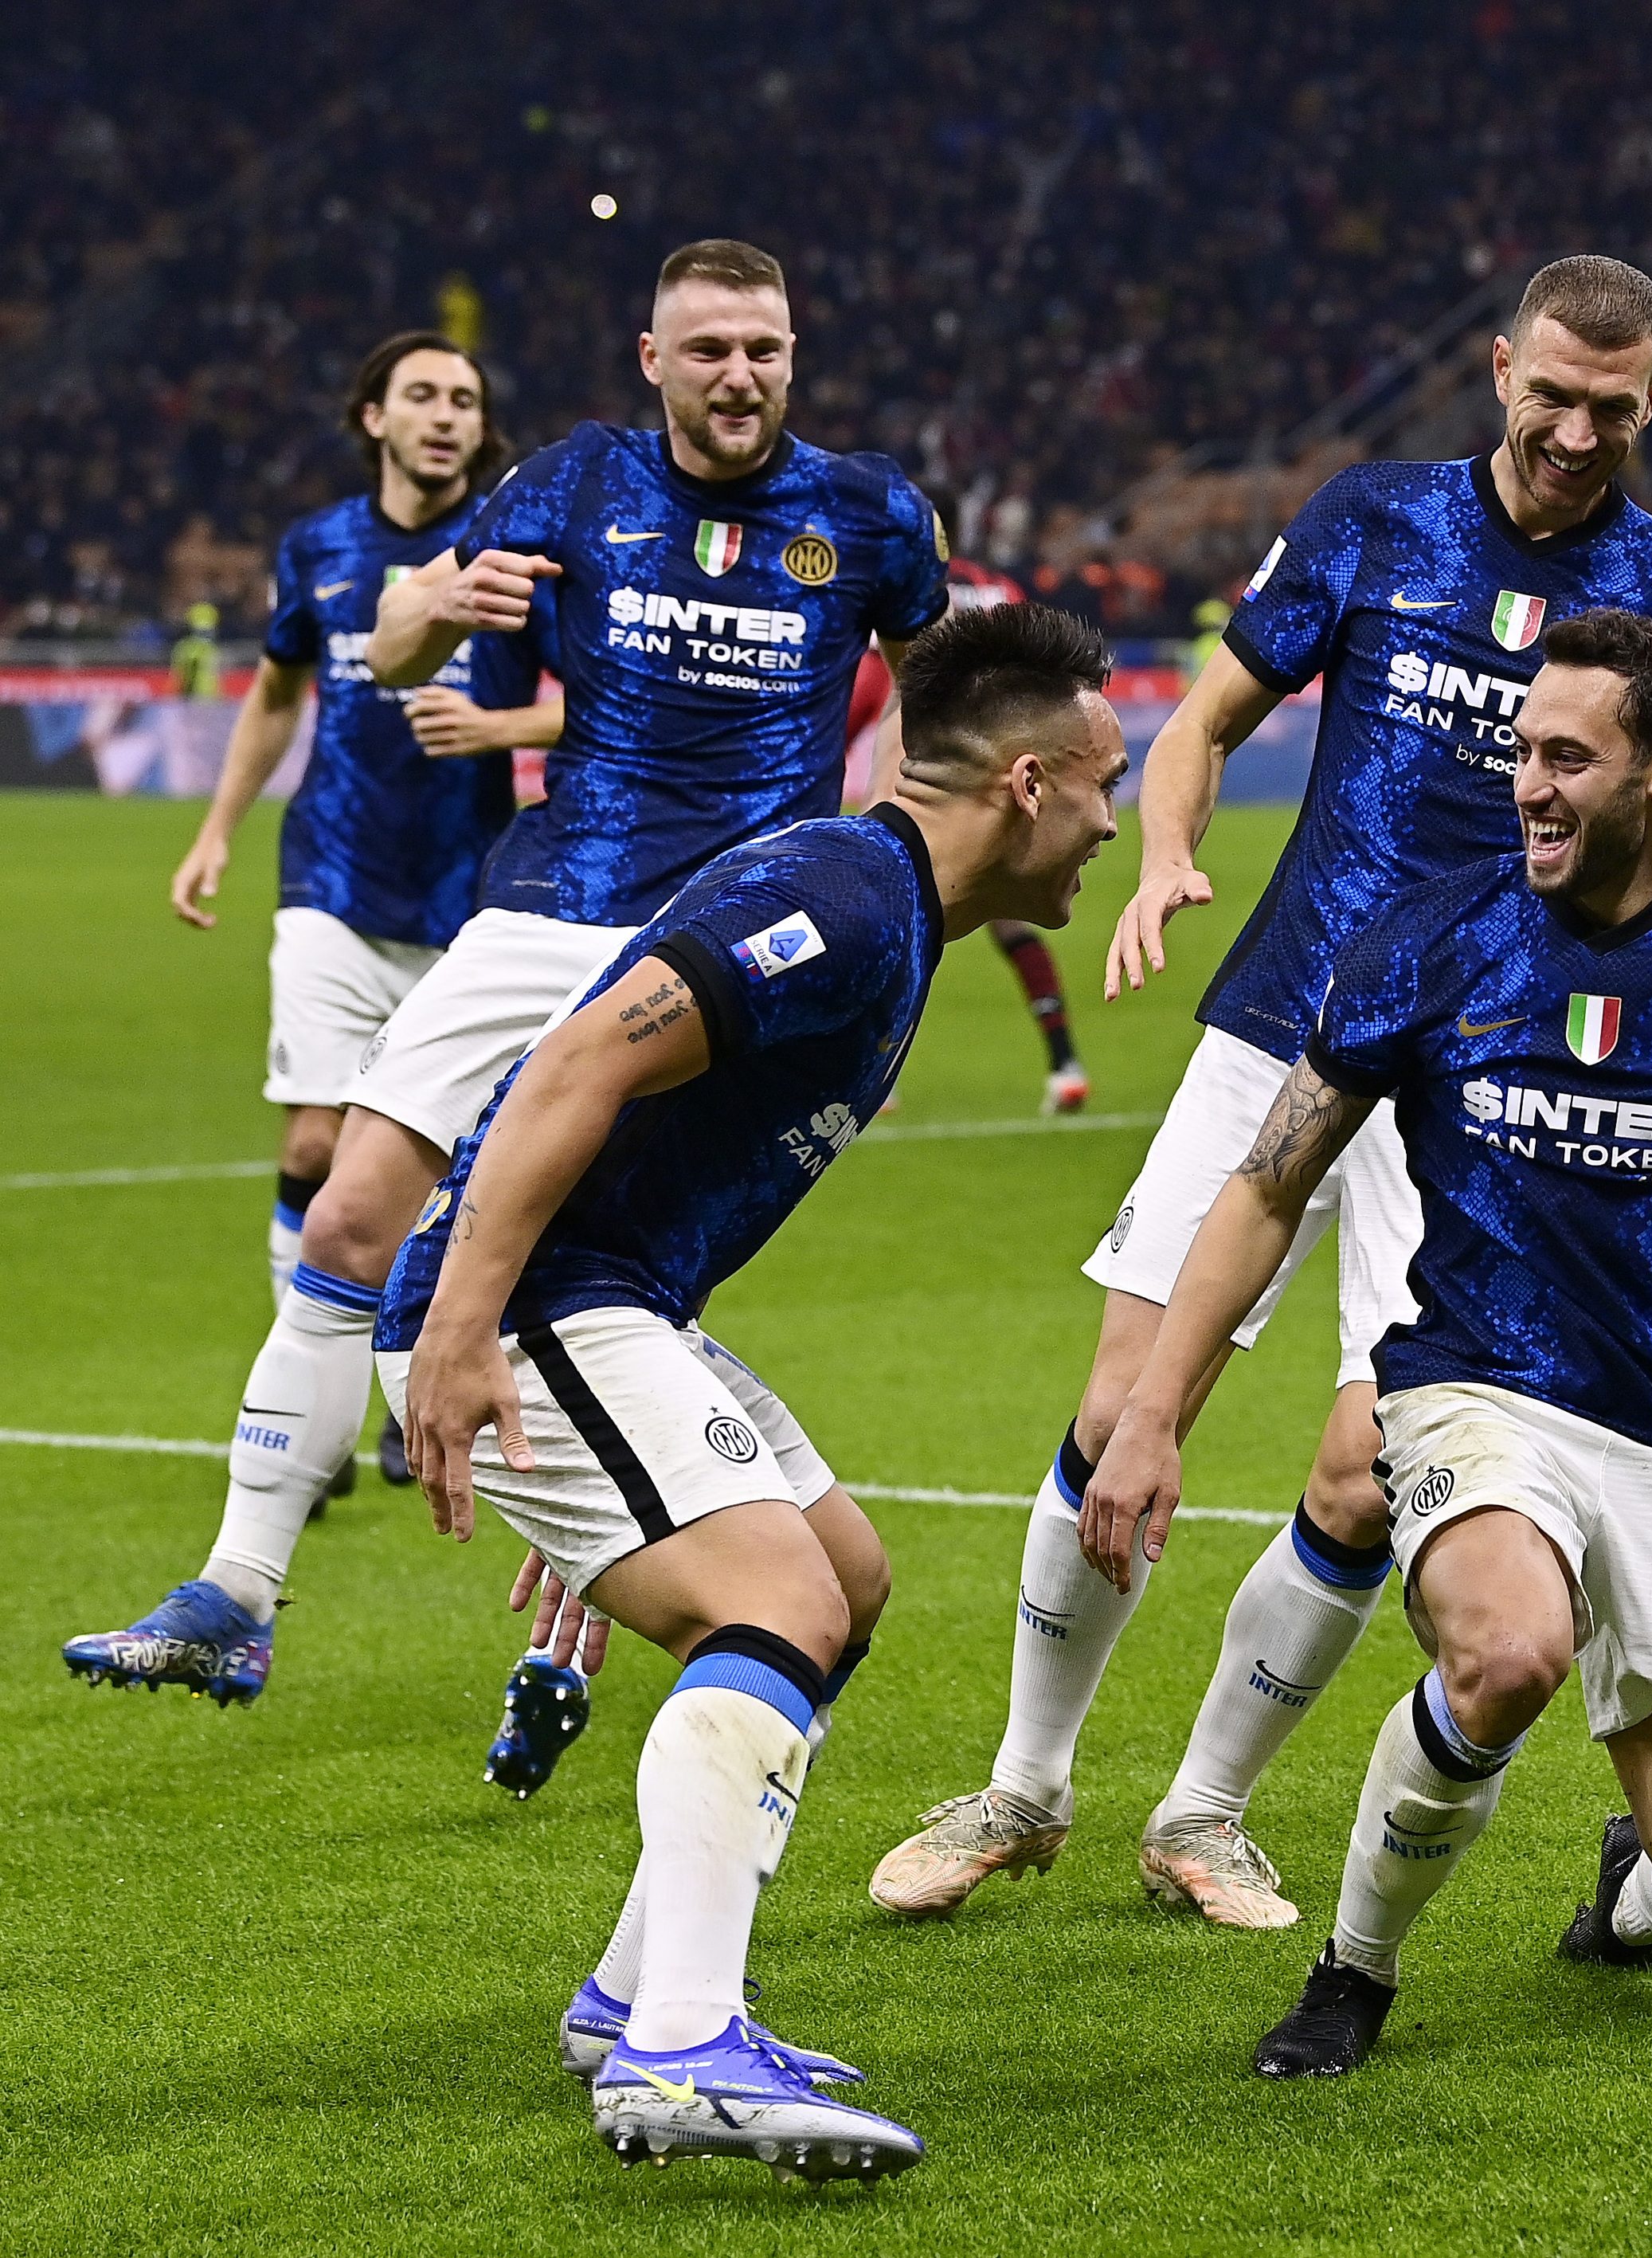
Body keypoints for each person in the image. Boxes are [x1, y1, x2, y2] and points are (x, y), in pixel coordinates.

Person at [871, 254, 1652, 1931]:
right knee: (1125, 1405)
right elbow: (1203, 722)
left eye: (1612, 408)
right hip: (1288, 1016)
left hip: (1485, 1080)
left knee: (1367, 1466)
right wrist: (1167, 856)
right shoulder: (1372, 518)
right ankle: (1023, 1785)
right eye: (1553, 396)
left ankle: (1202, 1814)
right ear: (1502, 368)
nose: (1576, 434)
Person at [63, 239, 947, 1743]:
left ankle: (586, 1630)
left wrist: (878, 865)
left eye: (765, 348)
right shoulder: (573, 481)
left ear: (794, 355)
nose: (741, 374)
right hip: (550, 908)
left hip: (727, 947)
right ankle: (236, 1591)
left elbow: (938, 706)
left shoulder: (869, 512)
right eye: (711, 348)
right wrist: (437, 608)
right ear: (653, 359)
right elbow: (394, 642)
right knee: (348, 1217)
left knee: (604, 1283)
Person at [1084, 608, 1652, 2075]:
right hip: (1475, 1388)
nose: (1527, 783)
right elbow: (1266, 1185)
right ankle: (1354, 1968)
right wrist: (1152, 1411)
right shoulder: (1433, 937)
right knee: (1509, 1654)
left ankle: (1629, 1891)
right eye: (1523, 750)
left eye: (1568, 757)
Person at [381, 602, 1124, 2180]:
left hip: (610, 1306)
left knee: (842, 1576)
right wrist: (464, 1328)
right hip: (538, 1300)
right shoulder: (842, 893)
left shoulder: (894, 907)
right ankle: (681, 2048)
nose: (1113, 823)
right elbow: (579, 1061)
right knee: (774, 1596)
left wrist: (635, 1473)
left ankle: (634, 1996)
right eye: (1105, 783)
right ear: (1030, 781)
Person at [165, 331, 546, 1372]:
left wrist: (499, 727)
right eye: (421, 395)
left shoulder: (518, 549)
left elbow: (609, 704)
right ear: (375, 417)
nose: (444, 416)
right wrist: (215, 831)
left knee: (439, 1162)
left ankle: (409, 1375)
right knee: (312, 1139)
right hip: (330, 874)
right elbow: (276, 694)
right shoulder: (319, 546)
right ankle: (306, 1390)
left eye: (463, 400)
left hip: (472, 897)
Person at [847, 540, 1093, 1112]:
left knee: (893, 922)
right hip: (1001, 784)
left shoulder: (903, 593)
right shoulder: (997, 590)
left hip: (924, 795)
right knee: (1011, 921)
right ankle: (1065, 1064)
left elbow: (870, 693)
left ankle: (872, 1071)